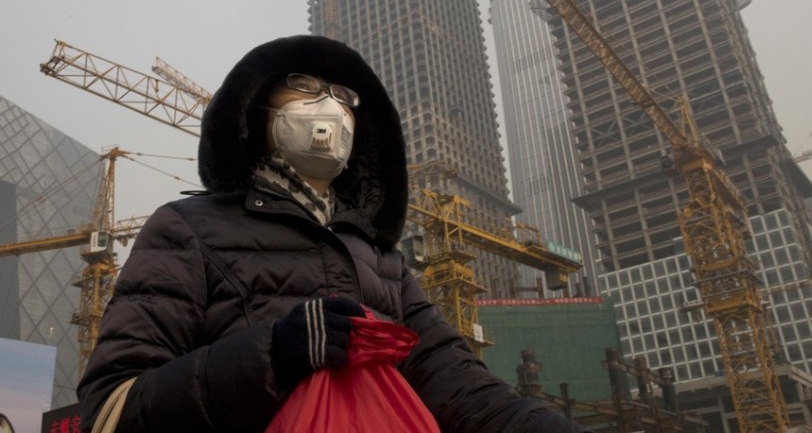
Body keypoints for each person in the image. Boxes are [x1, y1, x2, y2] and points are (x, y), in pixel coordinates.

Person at [77, 34, 586, 432]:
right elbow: (110, 412)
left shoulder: (382, 259)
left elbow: (457, 383)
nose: (329, 105)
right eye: (304, 85)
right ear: (258, 108)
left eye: (344, 96)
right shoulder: (188, 228)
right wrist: (274, 354)